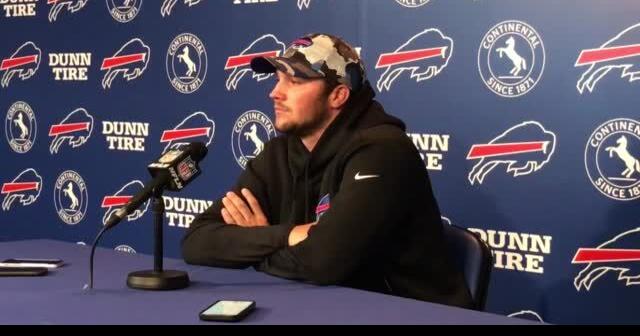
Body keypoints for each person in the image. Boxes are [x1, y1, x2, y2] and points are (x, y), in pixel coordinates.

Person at [182, 33, 473, 309]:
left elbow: (325, 262)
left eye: (294, 81)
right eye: (278, 78)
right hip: (326, 308)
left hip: (415, 313)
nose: (275, 92)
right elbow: (197, 242)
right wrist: (288, 235)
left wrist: (257, 244)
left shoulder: (383, 151)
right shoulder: (278, 153)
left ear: (338, 95)